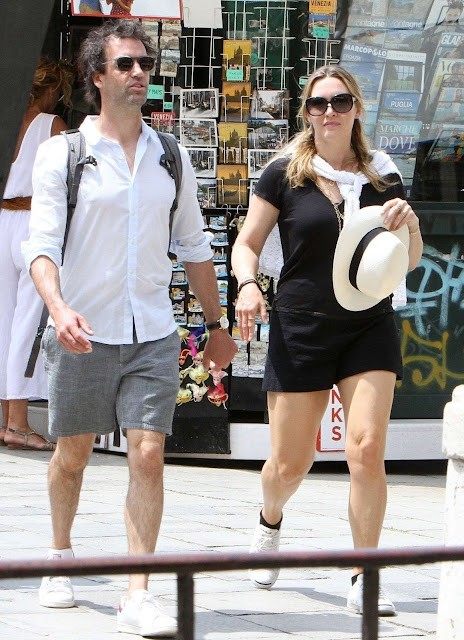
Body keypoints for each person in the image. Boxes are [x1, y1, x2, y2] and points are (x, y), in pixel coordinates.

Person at [23, 20, 237, 638]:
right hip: (83, 329)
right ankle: (60, 555)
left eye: (144, 63)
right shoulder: (63, 153)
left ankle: (137, 590)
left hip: (151, 329)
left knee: (148, 453)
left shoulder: (170, 156)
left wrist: (216, 323)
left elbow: (195, 246)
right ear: (98, 76)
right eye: (124, 64)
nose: (139, 73)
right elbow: (40, 247)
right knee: (73, 455)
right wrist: (59, 308)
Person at [231, 64, 423, 616]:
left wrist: (408, 223)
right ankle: (270, 522)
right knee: (289, 465)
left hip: (367, 323)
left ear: (357, 108)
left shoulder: (383, 176)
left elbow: (406, 262)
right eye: (318, 104)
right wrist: (246, 284)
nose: (330, 113)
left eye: (340, 102)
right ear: (306, 113)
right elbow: (247, 242)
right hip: (302, 326)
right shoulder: (282, 174)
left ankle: (366, 572)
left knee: (366, 449)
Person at [0, 58, 73, 451]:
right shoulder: (51, 126)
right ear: (51, 89)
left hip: (1, 219)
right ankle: (19, 423)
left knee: (3, 321)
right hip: (31, 223)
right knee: (29, 324)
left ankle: (6, 419)